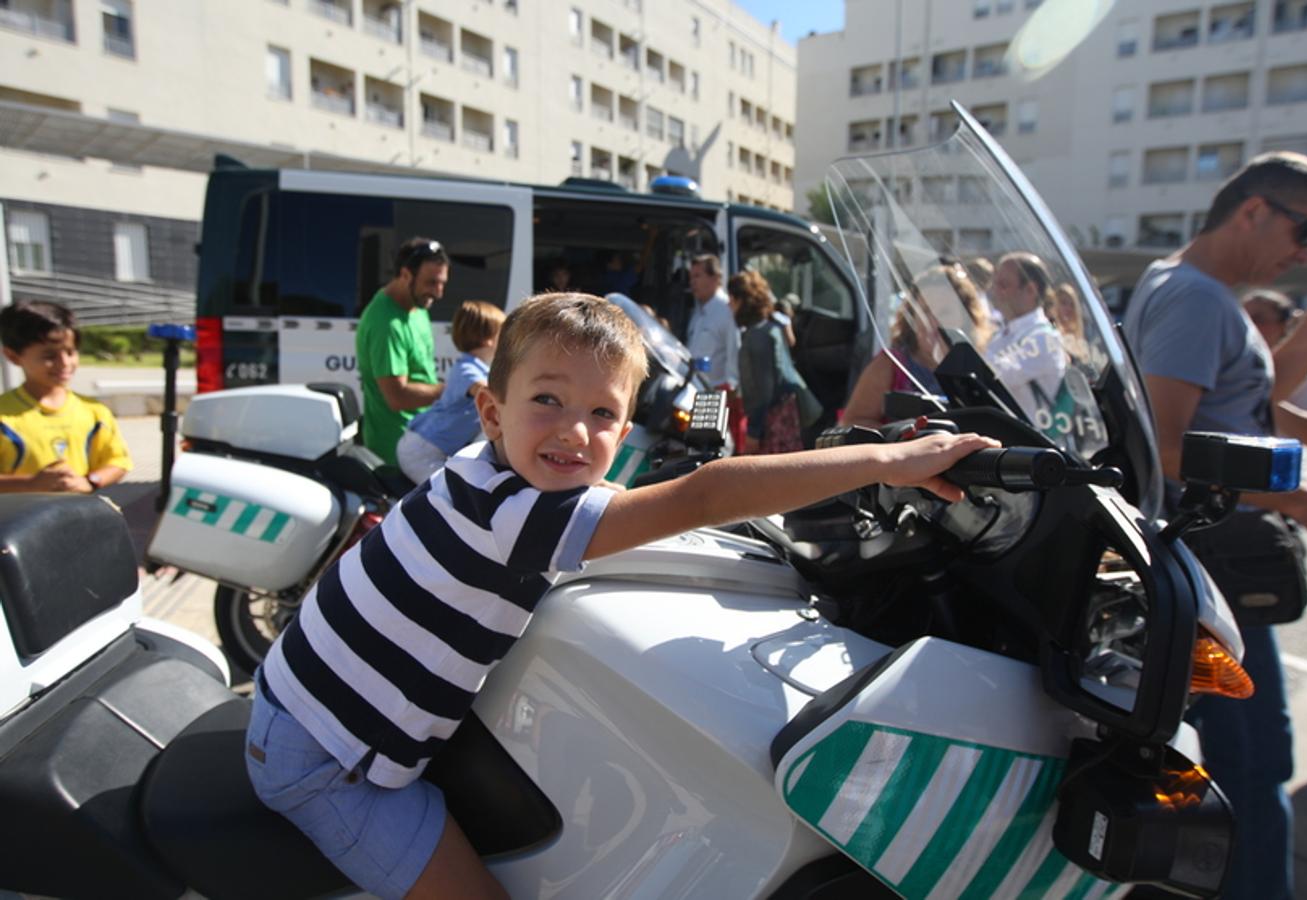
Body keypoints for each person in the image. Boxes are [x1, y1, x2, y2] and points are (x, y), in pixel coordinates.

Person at [244, 291, 997, 900]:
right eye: (548, 400)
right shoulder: (516, 515)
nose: (574, 431)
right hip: (323, 759)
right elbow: (702, 495)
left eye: (602, 413)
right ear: (491, 410)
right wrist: (891, 459)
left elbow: (612, 491)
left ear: (626, 426)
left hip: (301, 697)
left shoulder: (488, 468)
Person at [1121, 151, 1307, 900]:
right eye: (1304, 228)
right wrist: (1303, 503)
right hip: (1214, 575)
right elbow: (1165, 446)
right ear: (1251, 210)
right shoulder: (1197, 298)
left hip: (1216, 573)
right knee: (1246, 775)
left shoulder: (1198, 292)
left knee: (1242, 771)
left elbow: (1256, 396)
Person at [0, 300, 131, 493]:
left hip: (79, 519)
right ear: (13, 356)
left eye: (70, 352)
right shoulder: (5, 416)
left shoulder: (95, 412)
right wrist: (30, 484)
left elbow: (118, 462)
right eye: (49, 356)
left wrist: (90, 481)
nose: (64, 363)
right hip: (15, 522)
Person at [841, 264, 992, 429]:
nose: (932, 322)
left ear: (965, 317)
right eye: (925, 311)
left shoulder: (975, 369)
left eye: (945, 312)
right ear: (912, 316)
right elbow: (851, 423)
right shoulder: (891, 365)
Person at [356, 238, 450, 466]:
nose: (438, 293)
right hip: (398, 451)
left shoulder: (416, 307)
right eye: (431, 283)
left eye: (442, 283)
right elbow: (397, 397)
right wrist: (451, 391)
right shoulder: (386, 323)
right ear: (405, 274)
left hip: (422, 435)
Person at [396, 301, 506, 483]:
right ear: (489, 339)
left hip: (432, 447)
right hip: (422, 450)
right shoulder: (466, 369)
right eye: (503, 335)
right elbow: (487, 391)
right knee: (450, 494)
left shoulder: (481, 369)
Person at [729, 271, 822, 453]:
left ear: (740, 300)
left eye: (731, 299)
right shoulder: (769, 328)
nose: (728, 305)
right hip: (784, 414)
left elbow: (763, 391)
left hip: (772, 420)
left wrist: (754, 432)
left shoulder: (756, 336)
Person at [1242, 290, 1307, 452]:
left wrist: (1262, 401)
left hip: (1285, 475)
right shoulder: (1227, 369)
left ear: (1284, 325)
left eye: (1258, 319)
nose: (1249, 325)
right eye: (1243, 318)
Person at [984, 252, 1067, 421]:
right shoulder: (1001, 334)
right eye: (994, 283)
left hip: (1032, 444)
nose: (994, 290)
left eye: (1003, 285)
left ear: (1030, 290)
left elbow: (992, 377)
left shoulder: (1043, 338)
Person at [685, 254, 744, 448]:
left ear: (716, 278)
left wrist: (731, 394)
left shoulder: (726, 311)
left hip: (719, 398)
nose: (692, 282)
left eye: (697, 276)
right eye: (691, 277)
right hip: (697, 392)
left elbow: (735, 353)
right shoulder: (699, 311)